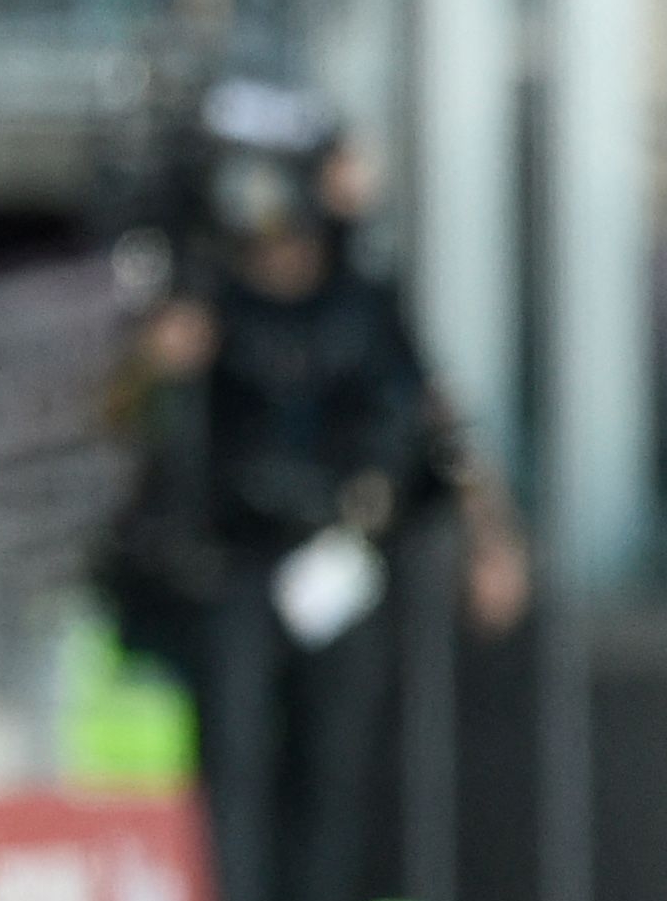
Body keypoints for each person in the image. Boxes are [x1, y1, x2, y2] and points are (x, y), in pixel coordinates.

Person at [102, 126, 529, 901]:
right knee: (235, 762)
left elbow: (442, 424)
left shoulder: (364, 308)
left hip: (344, 556)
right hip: (234, 562)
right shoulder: (209, 308)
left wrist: (492, 539)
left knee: (334, 766)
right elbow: (118, 418)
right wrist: (152, 365)